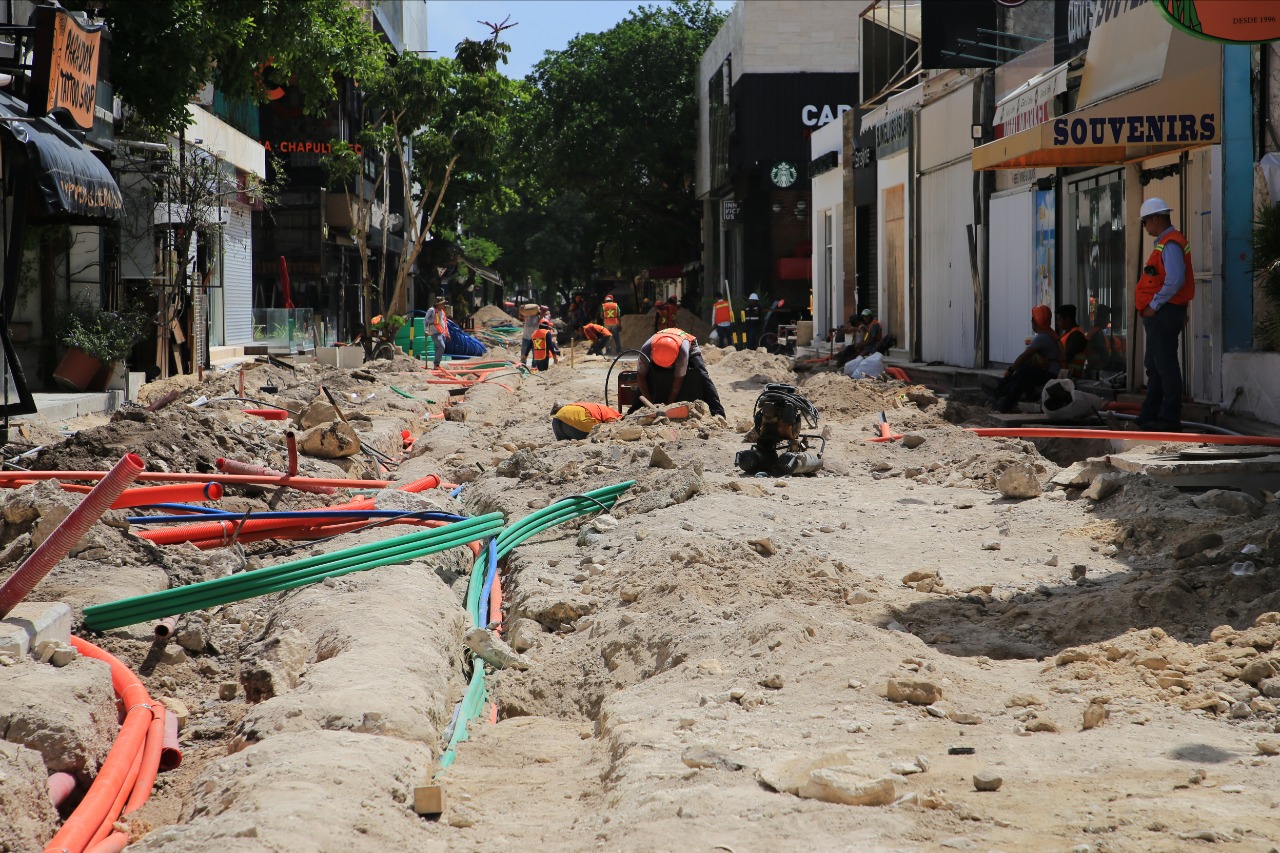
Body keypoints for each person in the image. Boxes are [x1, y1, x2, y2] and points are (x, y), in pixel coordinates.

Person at [1135, 197, 1194, 431]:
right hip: (1166, 313)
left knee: (1165, 366)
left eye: (1145, 222)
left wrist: (1155, 305)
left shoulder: (1170, 244)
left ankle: (1169, 418)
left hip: (1164, 313)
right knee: (1156, 365)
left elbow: (1176, 280)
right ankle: (1150, 415)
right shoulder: (1167, 243)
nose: (1145, 227)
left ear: (1155, 219)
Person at [632, 327, 725, 417]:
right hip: (661, 345)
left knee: (703, 376)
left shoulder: (682, 353)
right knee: (649, 375)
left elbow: (678, 380)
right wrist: (649, 402)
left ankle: (718, 413)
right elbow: (641, 376)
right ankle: (633, 410)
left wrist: (669, 406)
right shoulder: (646, 349)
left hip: (688, 344)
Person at [993, 305, 1060, 414]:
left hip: (1051, 373)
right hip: (1051, 371)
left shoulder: (1042, 337)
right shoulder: (1049, 334)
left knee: (1023, 371)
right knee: (1022, 377)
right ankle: (1005, 393)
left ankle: (1002, 389)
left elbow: (1024, 356)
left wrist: (1010, 371)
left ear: (1035, 322)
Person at [550, 400, 622, 440]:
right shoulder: (611, 412)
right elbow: (613, 423)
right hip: (578, 421)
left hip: (557, 419)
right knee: (597, 433)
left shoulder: (595, 407)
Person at [1086, 303, 1123, 373]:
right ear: (1101, 318)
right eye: (1107, 318)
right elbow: (1103, 358)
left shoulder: (1095, 332)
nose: (1108, 321)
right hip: (1099, 370)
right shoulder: (1097, 334)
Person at [1056, 304, 1089, 379]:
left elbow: (1066, 358)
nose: (1057, 322)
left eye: (1059, 319)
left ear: (1068, 319)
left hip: (1071, 378)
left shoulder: (1076, 336)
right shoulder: (1070, 334)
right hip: (1066, 377)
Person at [424, 297, 450, 369]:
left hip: (442, 333)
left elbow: (445, 323)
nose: (444, 305)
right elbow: (425, 321)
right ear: (438, 304)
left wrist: (447, 334)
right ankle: (436, 364)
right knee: (442, 346)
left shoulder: (442, 312)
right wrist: (426, 330)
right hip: (435, 332)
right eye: (442, 303)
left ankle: (436, 366)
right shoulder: (432, 310)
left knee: (438, 348)